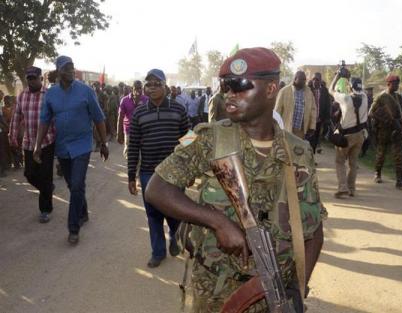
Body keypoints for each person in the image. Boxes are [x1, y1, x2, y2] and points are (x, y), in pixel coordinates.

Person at [144, 47, 327, 312]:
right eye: (225, 87)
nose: (229, 95)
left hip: (276, 292)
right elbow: (156, 189)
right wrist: (217, 222)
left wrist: (299, 290)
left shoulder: (299, 151)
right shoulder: (203, 137)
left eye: (241, 86)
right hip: (214, 290)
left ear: (271, 89)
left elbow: (314, 232)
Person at [34, 55, 109, 245]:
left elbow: (98, 118)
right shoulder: (51, 94)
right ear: (58, 72)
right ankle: (82, 212)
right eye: (66, 68)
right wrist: (37, 146)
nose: (70, 71)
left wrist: (103, 143)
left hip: (82, 145)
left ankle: (73, 228)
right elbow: (44, 121)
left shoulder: (86, 91)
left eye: (72, 67)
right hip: (62, 147)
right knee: (72, 185)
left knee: (76, 184)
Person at [127, 69, 190, 267]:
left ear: (165, 86)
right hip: (148, 172)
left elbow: (188, 141)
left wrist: (189, 171)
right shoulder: (139, 113)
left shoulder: (178, 109)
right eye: (149, 84)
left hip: (175, 173)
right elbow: (134, 145)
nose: (152, 87)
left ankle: (175, 237)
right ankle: (158, 252)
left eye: (157, 83)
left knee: (174, 211)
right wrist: (131, 176)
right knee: (153, 213)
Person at [9, 66, 56, 223]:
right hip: (29, 143)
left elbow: (56, 118)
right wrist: (12, 134)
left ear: (40, 79)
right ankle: (47, 188)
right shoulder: (22, 96)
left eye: (33, 78)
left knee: (45, 175)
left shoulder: (49, 95)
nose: (31, 81)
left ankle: (45, 209)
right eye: (28, 78)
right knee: (29, 174)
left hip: (46, 143)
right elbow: (16, 117)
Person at [329, 73, 368, 198]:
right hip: (360, 134)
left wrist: (338, 76)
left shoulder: (345, 98)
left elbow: (331, 90)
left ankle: (343, 187)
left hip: (346, 136)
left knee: (340, 161)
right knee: (353, 163)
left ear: (350, 87)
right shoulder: (365, 97)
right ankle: (351, 189)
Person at [369, 74, 402, 188]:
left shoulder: (398, 97)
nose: (397, 85)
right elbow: (371, 113)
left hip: (396, 129)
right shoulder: (381, 97)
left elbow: (400, 115)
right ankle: (377, 173)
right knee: (381, 153)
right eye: (395, 83)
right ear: (388, 84)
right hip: (383, 129)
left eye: (398, 83)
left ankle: (400, 179)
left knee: (399, 154)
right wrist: (384, 119)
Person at [275, 70, 316, 139]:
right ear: (295, 79)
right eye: (302, 79)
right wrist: (275, 127)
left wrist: (312, 126)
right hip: (287, 128)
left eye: (305, 79)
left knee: (298, 148)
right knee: (286, 148)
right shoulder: (284, 91)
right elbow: (277, 110)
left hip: (301, 130)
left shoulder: (309, 92)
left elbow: (313, 110)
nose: (304, 81)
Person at [117, 80, 148, 158]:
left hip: (143, 132)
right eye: (136, 88)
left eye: (140, 88)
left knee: (143, 154)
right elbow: (120, 117)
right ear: (132, 88)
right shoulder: (124, 100)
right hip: (129, 131)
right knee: (129, 154)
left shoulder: (146, 100)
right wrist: (119, 133)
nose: (139, 90)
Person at [308, 72, 332, 154]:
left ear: (320, 81)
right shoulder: (308, 89)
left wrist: (327, 119)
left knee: (316, 139)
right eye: (313, 79)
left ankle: (312, 156)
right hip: (309, 119)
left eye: (317, 79)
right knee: (308, 139)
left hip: (319, 120)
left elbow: (328, 105)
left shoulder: (324, 91)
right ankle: (308, 157)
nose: (315, 81)